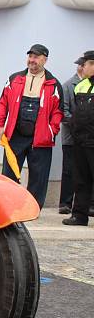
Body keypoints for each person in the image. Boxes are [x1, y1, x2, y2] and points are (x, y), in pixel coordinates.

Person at [0, 44, 63, 208]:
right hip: (15, 134)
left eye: (36, 57)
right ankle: (7, 205)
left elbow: (58, 112)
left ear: (45, 60)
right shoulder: (14, 79)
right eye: (30, 56)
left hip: (40, 137)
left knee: (39, 175)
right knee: (9, 172)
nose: (32, 60)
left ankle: (32, 208)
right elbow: (3, 103)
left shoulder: (53, 84)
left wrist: (51, 131)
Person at [62, 51, 94, 226]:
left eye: (86, 64)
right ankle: (79, 216)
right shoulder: (81, 86)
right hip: (80, 141)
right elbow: (76, 112)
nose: (82, 67)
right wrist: (75, 129)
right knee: (80, 180)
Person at [59, 57, 85, 214]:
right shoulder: (68, 86)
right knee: (68, 170)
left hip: (87, 138)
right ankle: (65, 203)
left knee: (85, 171)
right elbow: (63, 111)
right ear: (81, 67)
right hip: (71, 137)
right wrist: (79, 125)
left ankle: (84, 204)